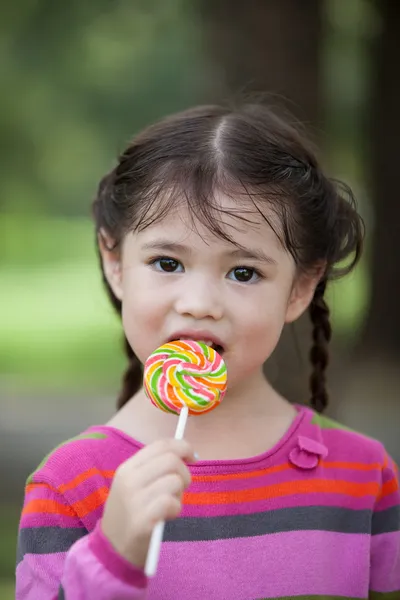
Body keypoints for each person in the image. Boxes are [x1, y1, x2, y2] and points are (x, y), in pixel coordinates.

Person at [16, 102, 400, 600]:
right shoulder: (70, 485)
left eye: (243, 272)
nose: (198, 304)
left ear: (301, 288)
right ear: (115, 263)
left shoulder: (363, 475)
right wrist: (111, 558)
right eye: (167, 262)